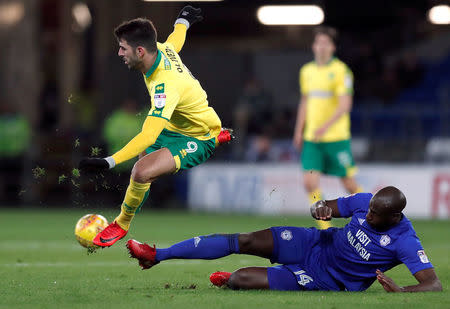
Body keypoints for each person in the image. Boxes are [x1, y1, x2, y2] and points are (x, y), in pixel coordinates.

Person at [78, 6, 233, 247]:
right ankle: (130, 210)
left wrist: (110, 161)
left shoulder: (165, 85)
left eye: (123, 48)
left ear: (140, 51)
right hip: (175, 126)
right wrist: (183, 22)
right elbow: (174, 42)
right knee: (143, 168)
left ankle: (121, 224)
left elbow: (149, 134)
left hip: (197, 136)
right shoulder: (159, 50)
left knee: (140, 171)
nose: (119, 53)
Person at [126, 186, 442, 292]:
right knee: (246, 239)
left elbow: (433, 285)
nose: (368, 216)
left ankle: (230, 281)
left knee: (241, 278)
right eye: (369, 210)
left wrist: (402, 289)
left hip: (326, 279)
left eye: (375, 216)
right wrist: (320, 208)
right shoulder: (365, 202)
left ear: (393, 218)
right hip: (317, 243)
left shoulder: (405, 240)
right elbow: (329, 207)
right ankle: (157, 255)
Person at [293, 26, 363, 229]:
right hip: (312, 139)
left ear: (333, 47)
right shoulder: (306, 71)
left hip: (336, 138)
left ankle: (368, 217)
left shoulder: (341, 71)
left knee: (348, 183)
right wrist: (299, 131)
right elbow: (304, 102)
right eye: (318, 42)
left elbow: (345, 105)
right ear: (313, 46)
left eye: (326, 43)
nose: (321, 47)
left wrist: (325, 126)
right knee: (309, 183)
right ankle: (326, 229)